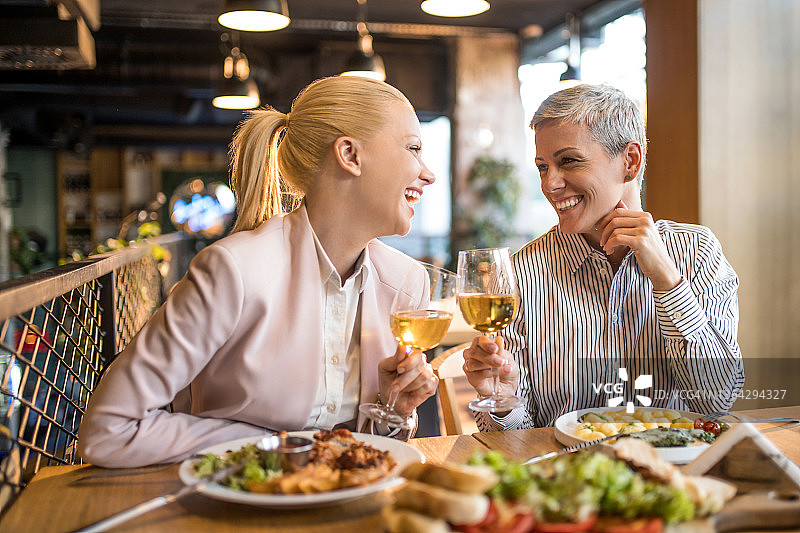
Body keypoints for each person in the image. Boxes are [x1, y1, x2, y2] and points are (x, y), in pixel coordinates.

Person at [78, 76, 439, 467]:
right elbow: (107, 432)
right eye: (413, 149)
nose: (428, 173)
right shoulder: (232, 271)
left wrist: (395, 410)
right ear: (350, 155)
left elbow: (369, 451)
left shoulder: (406, 283)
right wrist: (274, 443)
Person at [462, 84, 745, 431]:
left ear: (630, 162)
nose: (550, 184)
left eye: (568, 161)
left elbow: (716, 400)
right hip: (567, 477)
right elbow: (516, 443)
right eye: (542, 167)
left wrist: (667, 281)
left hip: (675, 472)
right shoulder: (519, 274)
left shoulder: (697, 252)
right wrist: (504, 402)